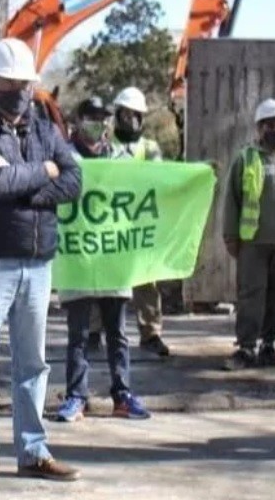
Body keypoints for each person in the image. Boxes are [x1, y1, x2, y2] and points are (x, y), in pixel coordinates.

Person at [0, 38, 83, 492]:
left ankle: (33, 450)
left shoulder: (46, 129)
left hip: (36, 263)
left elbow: (72, 180)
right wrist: (41, 173)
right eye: (13, 82)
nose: (22, 90)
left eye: (27, 82)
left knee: (33, 364)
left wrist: (28, 185)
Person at [56, 96, 151, 424]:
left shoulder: (122, 159)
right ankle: (76, 397)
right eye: (92, 117)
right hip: (78, 260)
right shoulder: (64, 157)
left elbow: (146, 190)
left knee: (118, 334)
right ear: (78, 121)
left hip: (112, 260)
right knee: (79, 335)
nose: (100, 123)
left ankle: (122, 395)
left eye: (104, 118)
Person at [221, 99, 275, 370]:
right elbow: (231, 199)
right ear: (258, 127)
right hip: (253, 241)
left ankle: (269, 344)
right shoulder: (246, 158)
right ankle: (246, 347)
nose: (274, 129)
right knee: (251, 295)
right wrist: (231, 235)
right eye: (268, 124)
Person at [109, 86, 171, 357]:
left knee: (147, 282)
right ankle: (96, 331)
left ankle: (151, 333)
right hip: (109, 225)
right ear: (116, 114)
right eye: (125, 114)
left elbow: (158, 180)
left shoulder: (150, 148)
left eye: (136, 114)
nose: (130, 120)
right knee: (105, 281)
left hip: (140, 226)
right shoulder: (105, 146)